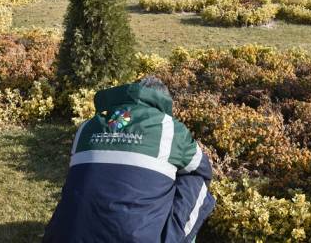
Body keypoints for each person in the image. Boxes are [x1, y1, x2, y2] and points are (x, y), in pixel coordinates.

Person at [43, 76, 215, 243]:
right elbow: (203, 169)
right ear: (163, 102)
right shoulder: (170, 128)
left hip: (62, 237)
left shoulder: (87, 127)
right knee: (196, 179)